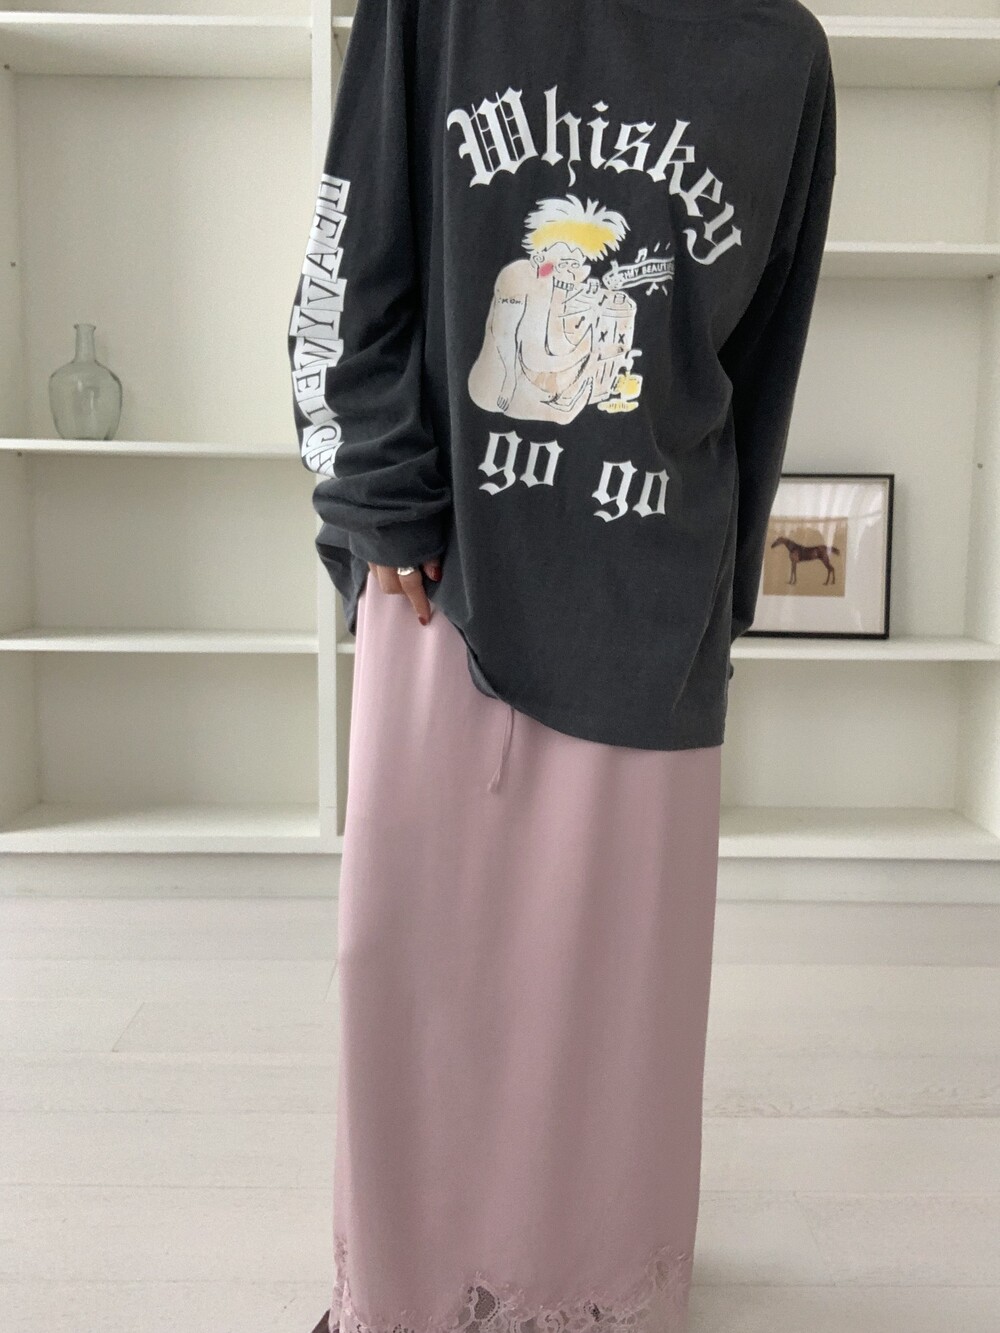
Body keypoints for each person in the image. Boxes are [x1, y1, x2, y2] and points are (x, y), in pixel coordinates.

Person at [288, 0, 836, 1329]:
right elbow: (353, 257)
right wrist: (376, 496)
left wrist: (718, 599)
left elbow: (762, 362)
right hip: (446, 572)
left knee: (616, 1012)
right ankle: (406, 1295)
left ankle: (596, 1298)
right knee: (408, 964)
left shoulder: (782, 53)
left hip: (652, 588)